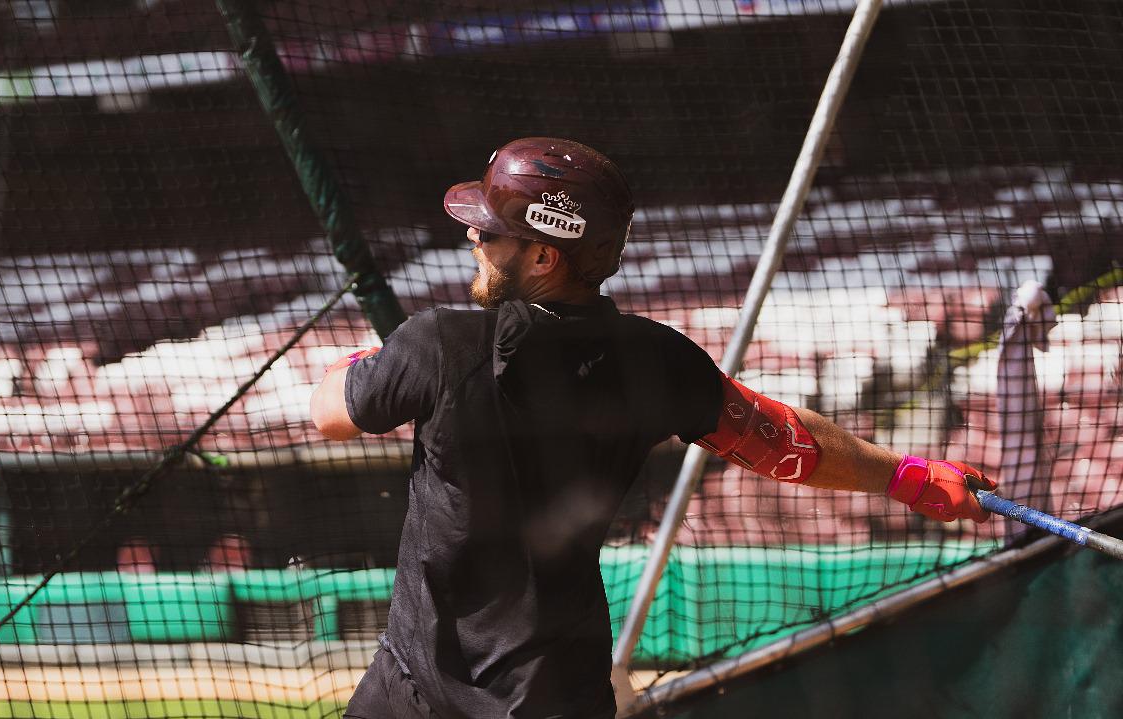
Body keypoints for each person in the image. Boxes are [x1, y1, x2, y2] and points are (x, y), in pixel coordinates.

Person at [310, 137, 997, 719]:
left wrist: (372, 358)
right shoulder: (655, 359)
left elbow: (330, 412)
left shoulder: (437, 343)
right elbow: (785, 441)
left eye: (489, 232)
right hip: (555, 694)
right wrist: (911, 478)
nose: (472, 239)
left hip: (413, 693)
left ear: (546, 256)